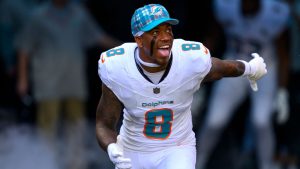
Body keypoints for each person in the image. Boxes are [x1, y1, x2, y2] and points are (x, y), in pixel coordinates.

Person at [95, 3, 267, 169]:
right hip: (134, 149)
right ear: (139, 40)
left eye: (168, 30)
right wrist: (111, 147)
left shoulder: (189, 59)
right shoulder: (117, 67)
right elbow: (104, 123)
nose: (165, 37)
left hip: (176, 147)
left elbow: (221, 68)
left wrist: (250, 67)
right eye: (156, 32)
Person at [16, 0, 122, 169]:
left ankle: (76, 163)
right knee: (48, 125)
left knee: (77, 125)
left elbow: (98, 37)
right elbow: (24, 49)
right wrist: (23, 79)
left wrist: (126, 48)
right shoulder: (38, 16)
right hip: (47, 81)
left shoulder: (78, 13)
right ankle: (45, 162)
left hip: (73, 81)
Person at [195, 0, 290, 169]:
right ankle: (196, 163)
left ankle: (267, 165)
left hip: (264, 68)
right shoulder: (224, 6)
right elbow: (211, 39)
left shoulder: (276, 12)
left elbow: (283, 54)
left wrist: (282, 92)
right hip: (234, 65)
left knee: (261, 120)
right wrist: (198, 80)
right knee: (215, 120)